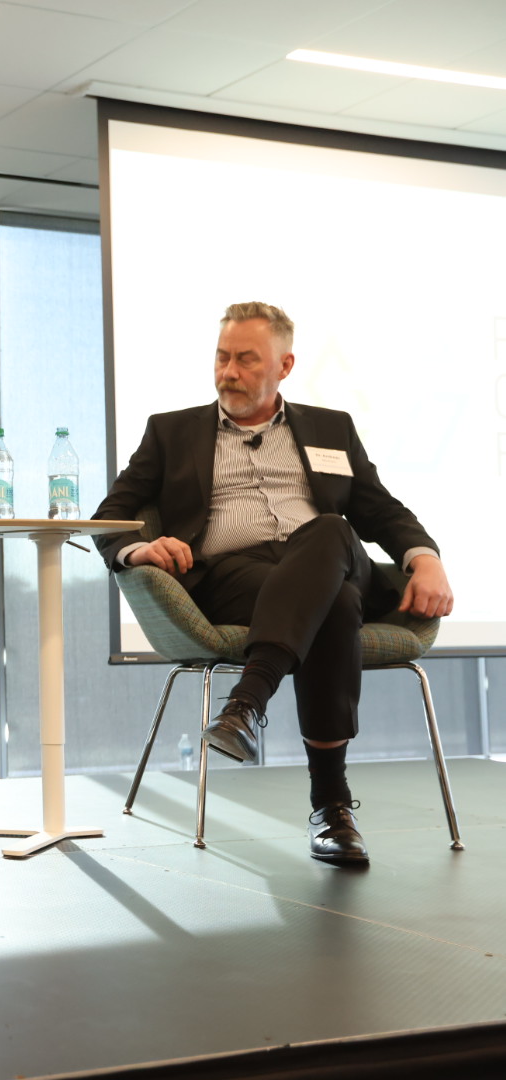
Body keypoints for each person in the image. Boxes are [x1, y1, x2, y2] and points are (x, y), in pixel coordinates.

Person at [95, 301, 453, 865]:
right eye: (221, 357)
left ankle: (246, 702)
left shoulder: (331, 428)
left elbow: (380, 510)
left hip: (329, 553)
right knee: (335, 604)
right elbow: (110, 516)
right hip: (237, 575)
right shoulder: (170, 432)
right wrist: (138, 548)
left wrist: (425, 557)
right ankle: (331, 807)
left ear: (285, 366)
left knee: (331, 530)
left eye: (246, 359)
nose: (228, 372)